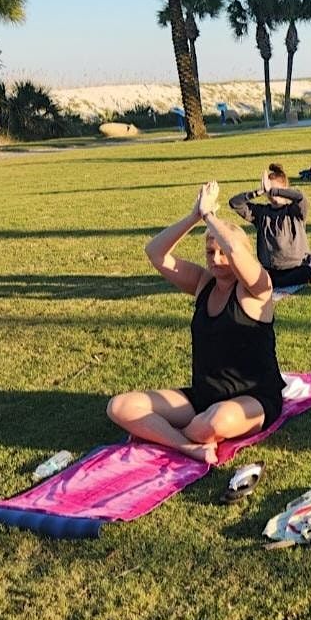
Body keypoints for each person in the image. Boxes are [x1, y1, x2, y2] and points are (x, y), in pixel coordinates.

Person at [106, 182, 284, 464]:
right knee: (121, 406)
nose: (216, 258)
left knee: (216, 422)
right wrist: (194, 216)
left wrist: (211, 216)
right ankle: (187, 446)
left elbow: (237, 249)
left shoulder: (257, 290)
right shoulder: (204, 283)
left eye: (221, 251)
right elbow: (155, 253)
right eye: (210, 251)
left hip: (253, 400)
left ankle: (163, 434)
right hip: (202, 398)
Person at [228, 164, 311, 287]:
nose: (272, 195)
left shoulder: (295, 211)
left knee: (305, 272)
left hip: (296, 267)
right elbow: (234, 203)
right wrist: (258, 192)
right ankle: (274, 282)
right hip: (271, 270)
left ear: (285, 190)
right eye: (269, 192)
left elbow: (300, 197)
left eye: (276, 191)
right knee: (251, 277)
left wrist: (275, 191)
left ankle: (282, 281)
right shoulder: (261, 213)